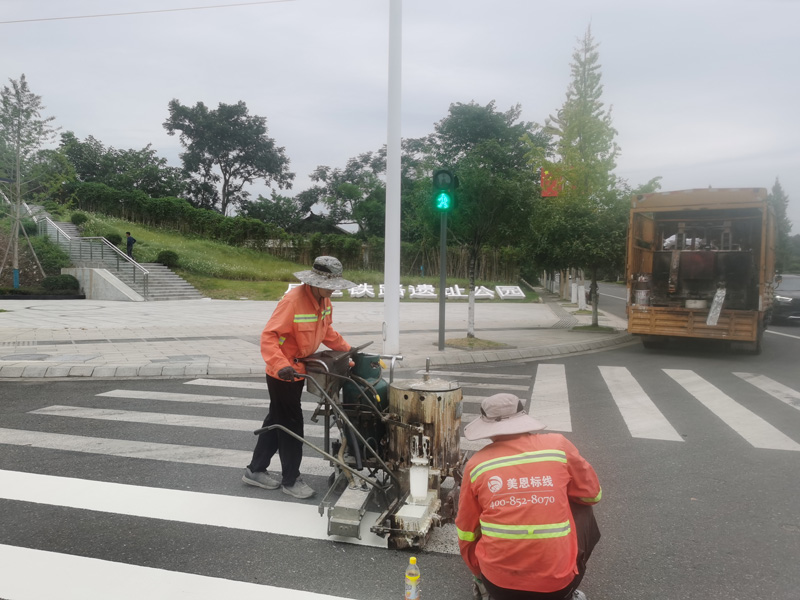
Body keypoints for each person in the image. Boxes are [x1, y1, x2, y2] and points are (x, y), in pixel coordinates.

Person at [456, 393, 602, 600]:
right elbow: (592, 495)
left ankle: (486, 590)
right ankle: (570, 590)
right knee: (582, 505)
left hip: (499, 586)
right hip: (556, 586)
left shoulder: (476, 464)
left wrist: (479, 574)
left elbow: (466, 531)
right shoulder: (558, 445)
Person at [243, 256, 355, 499]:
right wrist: (280, 364)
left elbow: (328, 332)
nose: (334, 289)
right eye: (330, 284)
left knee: (277, 420)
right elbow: (269, 336)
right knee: (291, 425)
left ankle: (255, 470)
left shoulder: (324, 301)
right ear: (314, 282)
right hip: (283, 373)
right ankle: (291, 480)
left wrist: (349, 353)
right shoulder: (292, 301)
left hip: (299, 369)